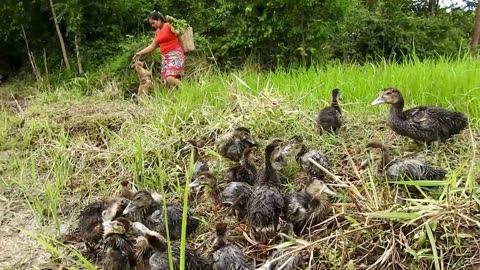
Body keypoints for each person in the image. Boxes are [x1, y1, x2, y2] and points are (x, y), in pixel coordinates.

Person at [133, 11, 184, 89]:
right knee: (166, 83)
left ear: (159, 20)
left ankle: (185, 89)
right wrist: (140, 52)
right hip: (165, 57)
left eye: (153, 23)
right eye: (151, 24)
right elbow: (153, 46)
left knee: (170, 78)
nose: (153, 25)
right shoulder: (157, 32)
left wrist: (172, 21)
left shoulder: (168, 25)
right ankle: (175, 98)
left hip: (175, 54)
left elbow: (178, 32)